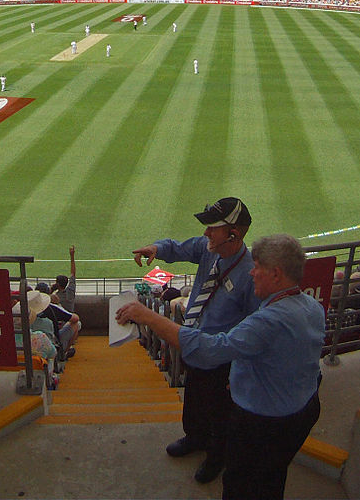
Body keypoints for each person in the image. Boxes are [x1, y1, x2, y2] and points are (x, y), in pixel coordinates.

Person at [117, 234, 323, 500]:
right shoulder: (311, 307)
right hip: (302, 410)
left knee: (240, 483)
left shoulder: (269, 321)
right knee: (272, 476)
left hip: (264, 424)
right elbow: (283, 357)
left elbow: (210, 350)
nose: (252, 272)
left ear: (275, 275)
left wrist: (148, 316)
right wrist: (239, 373)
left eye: (258, 267)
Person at [132, 197, 258, 484]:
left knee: (220, 411)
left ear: (233, 234)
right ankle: (194, 438)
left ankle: (216, 457)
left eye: (212, 228)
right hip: (194, 344)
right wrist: (156, 248)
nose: (205, 233)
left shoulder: (251, 275)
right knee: (195, 398)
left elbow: (254, 326)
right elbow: (178, 247)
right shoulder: (208, 249)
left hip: (222, 357)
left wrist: (240, 368)